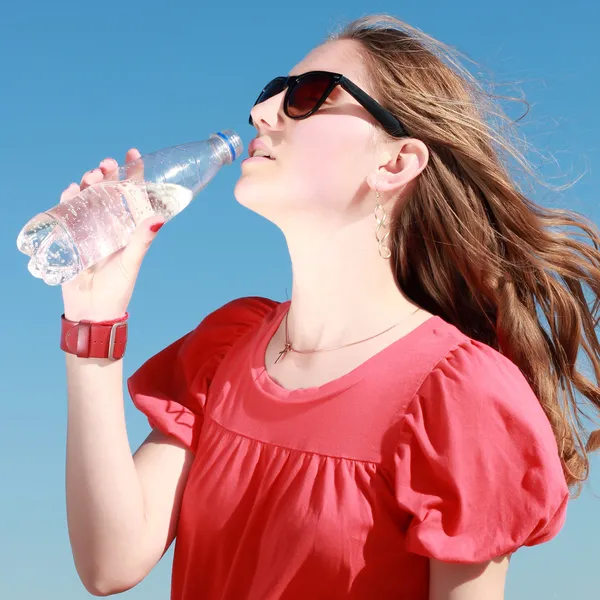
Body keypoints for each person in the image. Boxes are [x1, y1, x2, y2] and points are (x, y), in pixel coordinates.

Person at [59, 15, 600, 600]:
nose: (262, 114)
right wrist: (93, 318)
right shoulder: (227, 346)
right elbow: (109, 562)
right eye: (270, 93)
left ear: (395, 162)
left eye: (309, 94)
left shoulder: (459, 395)